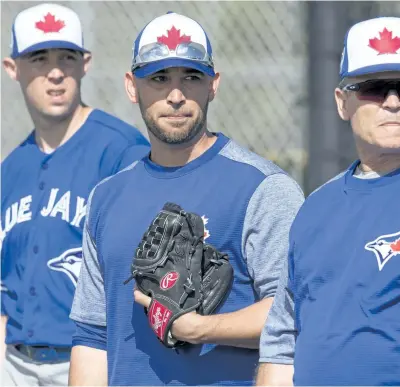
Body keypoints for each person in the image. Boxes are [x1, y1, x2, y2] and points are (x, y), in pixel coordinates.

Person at [67, 11, 305, 386]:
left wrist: (198, 328)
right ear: (132, 86)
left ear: (214, 84)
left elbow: (295, 313)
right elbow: (92, 335)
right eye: (159, 78)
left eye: (191, 77)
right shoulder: (106, 198)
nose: (175, 96)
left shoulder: (262, 188)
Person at [256, 16, 400, 386]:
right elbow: (282, 343)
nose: (393, 101)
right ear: (342, 102)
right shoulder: (315, 208)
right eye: (375, 88)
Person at [0, 3, 150, 386]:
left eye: (67, 57)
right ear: (12, 68)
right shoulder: (11, 168)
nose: (55, 72)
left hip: (90, 361)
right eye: (39, 58)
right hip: (14, 364)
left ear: (85, 63)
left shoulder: (120, 151)